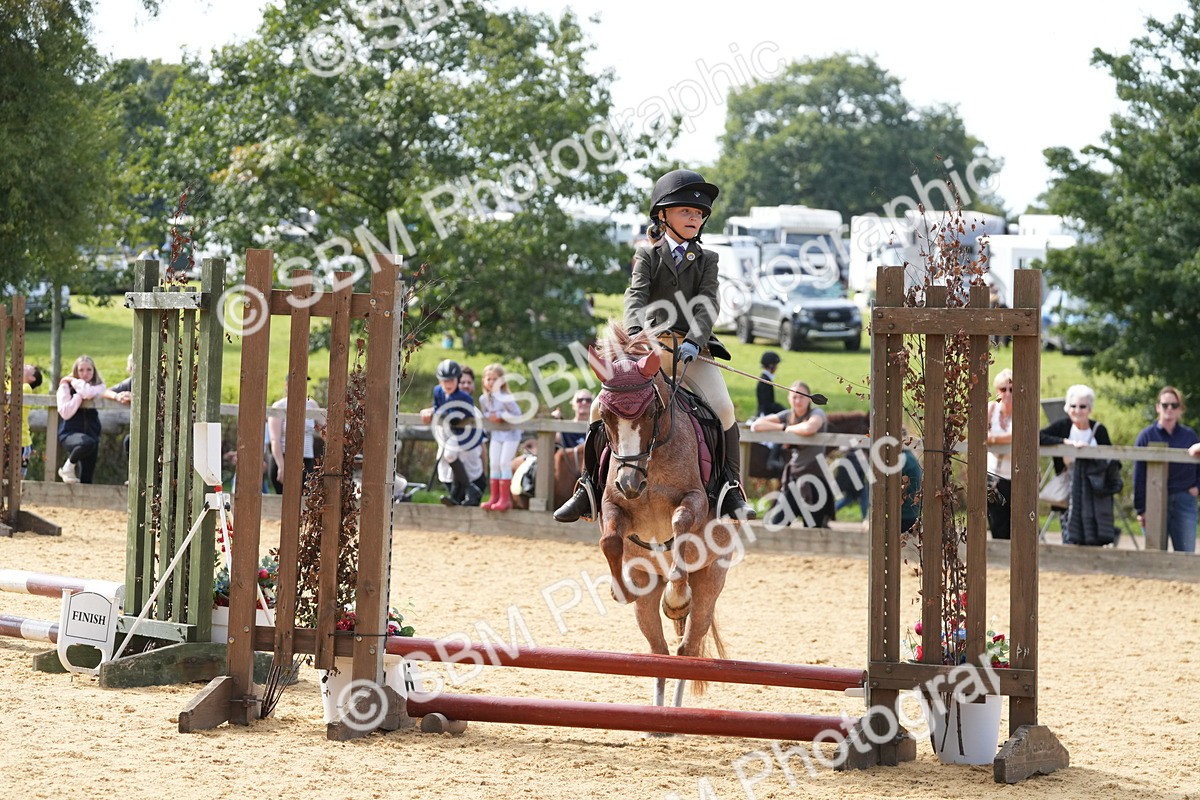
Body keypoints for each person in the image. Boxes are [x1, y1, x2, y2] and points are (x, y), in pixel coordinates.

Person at [554, 168, 754, 521]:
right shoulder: (648, 256)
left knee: (724, 409)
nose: (694, 218)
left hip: (693, 351)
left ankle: (730, 489)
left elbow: (707, 304)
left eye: (699, 214)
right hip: (647, 349)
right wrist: (635, 336)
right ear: (663, 215)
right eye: (686, 212)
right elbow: (635, 298)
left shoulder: (708, 260)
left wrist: (694, 340)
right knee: (599, 409)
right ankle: (588, 487)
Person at [1038, 385, 1116, 546]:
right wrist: (1065, 442)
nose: (1077, 410)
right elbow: (1038, 436)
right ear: (1068, 407)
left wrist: (1091, 456)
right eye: (1073, 406)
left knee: (1094, 534)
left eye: (1082, 406)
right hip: (1069, 489)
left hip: (1093, 489)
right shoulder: (1062, 426)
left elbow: (1113, 460)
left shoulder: (1099, 430)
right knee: (1069, 534)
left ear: (1090, 408)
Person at [750, 380, 833, 527]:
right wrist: (784, 426)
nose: (798, 400)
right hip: (794, 478)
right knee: (777, 524)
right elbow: (757, 425)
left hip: (815, 480)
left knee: (814, 528)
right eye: (794, 397)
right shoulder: (788, 415)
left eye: (801, 396)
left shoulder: (817, 413)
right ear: (789, 398)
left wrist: (788, 429)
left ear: (809, 398)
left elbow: (810, 428)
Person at [1134, 386, 1199, 553]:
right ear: (1158, 407)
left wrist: (1198, 487)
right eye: (1165, 405)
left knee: (1185, 554)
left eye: (1174, 405)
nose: (1169, 409)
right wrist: (1141, 509)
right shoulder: (1146, 436)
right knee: (1154, 554)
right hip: (1154, 500)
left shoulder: (1189, 436)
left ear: (1180, 409)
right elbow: (1139, 475)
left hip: (1183, 499)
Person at [420, 359, 484, 507]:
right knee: (451, 457)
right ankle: (461, 492)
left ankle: (469, 488)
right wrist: (431, 411)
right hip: (451, 433)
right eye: (444, 381)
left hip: (464, 434)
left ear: (457, 379)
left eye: (451, 380)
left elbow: (467, 417)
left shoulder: (465, 397)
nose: (448, 384)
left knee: (450, 455)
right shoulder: (437, 391)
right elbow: (437, 407)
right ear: (439, 380)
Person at [478, 364, 522, 512]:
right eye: (488, 379)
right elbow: (485, 414)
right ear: (484, 381)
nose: (491, 382)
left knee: (504, 463)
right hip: (496, 435)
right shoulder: (484, 399)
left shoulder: (506, 398)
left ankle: (505, 499)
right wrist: (489, 417)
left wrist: (501, 416)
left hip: (511, 435)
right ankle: (494, 497)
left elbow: (518, 415)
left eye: (495, 379)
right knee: (494, 464)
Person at [56, 355, 106, 484]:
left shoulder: (99, 386)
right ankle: (67, 467)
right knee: (85, 443)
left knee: (87, 478)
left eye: (89, 370)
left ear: (94, 371)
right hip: (70, 434)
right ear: (75, 371)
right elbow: (65, 413)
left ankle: (85, 502)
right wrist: (78, 397)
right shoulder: (65, 387)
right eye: (81, 370)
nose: (85, 373)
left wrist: (75, 382)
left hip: (92, 434)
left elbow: (88, 393)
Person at [267, 390, 321, 495]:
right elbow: (275, 439)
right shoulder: (280, 405)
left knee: (305, 498)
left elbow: (324, 428)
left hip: (306, 459)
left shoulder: (311, 404)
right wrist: (281, 466)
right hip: (285, 457)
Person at [985, 368, 1015, 540]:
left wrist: (994, 439)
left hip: (1016, 475)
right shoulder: (991, 409)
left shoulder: (1023, 411)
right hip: (993, 475)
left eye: (1012, 389)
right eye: (1004, 389)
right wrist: (1007, 438)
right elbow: (980, 436)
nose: (1008, 393)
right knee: (997, 523)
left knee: (1017, 524)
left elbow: (1022, 436)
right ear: (997, 391)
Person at [104, 353, 135, 456]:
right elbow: (104, 392)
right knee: (129, 441)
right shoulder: (129, 383)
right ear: (129, 370)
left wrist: (135, 398)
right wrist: (118, 396)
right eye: (132, 367)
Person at [20, 363, 43, 478]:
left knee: (17, 480)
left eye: (28, 367)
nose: (24, 365)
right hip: (13, 440)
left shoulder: (26, 388)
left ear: (32, 378)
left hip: (22, 443)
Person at [756, 351, 785, 417]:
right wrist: (784, 411)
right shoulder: (765, 381)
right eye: (776, 365)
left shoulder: (766, 379)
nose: (777, 368)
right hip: (765, 414)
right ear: (771, 366)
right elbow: (768, 404)